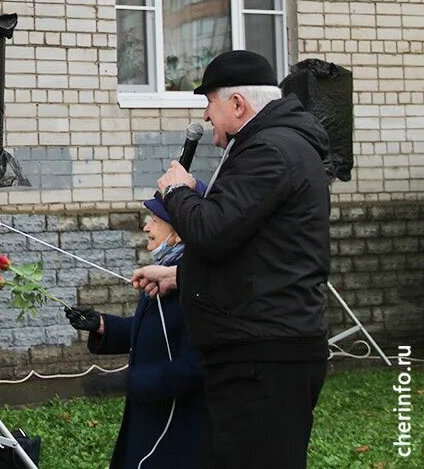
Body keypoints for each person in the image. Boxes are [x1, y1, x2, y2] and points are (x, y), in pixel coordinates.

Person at [132, 50, 331, 469]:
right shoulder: (270, 145)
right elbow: (254, 252)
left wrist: (177, 191)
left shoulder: (271, 150)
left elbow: (213, 231)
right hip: (257, 353)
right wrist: (179, 277)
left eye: (210, 103)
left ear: (238, 104)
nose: (206, 117)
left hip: (266, 358)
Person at [66, 189, 205, 469]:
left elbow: (196, 368)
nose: (146, 226)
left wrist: (129, 381)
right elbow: (153, 332)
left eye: (155, 219)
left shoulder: (195, 288)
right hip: (149, 416)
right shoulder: (165, 271)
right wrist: (103, 325)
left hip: (174, 429)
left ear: (178, 233)